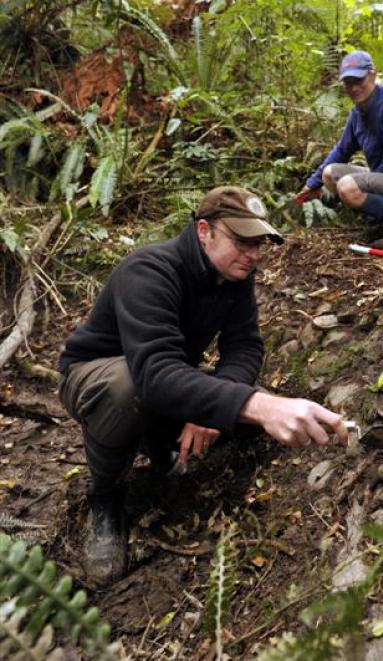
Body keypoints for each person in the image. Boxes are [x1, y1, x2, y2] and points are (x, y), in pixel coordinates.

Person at [58, 186, 348, 586]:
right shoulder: (148, 271)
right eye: (242, 242)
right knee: (131, 389)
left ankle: (161, 448)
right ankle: (105, 497)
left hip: (162, 377)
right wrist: (250, 405)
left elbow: (244, 345)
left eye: (259, 244)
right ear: (203, 231)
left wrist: (220, 407)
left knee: (249, 413)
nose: (253, 254)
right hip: (98, 379)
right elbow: (154, 374)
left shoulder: (234, 276)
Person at [298, 50, 383, 248]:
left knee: (347, 185)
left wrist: (363, 184)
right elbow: (341, 151)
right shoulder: (357, 113)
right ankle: (381, 220)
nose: (353, 88)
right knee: (329, 174)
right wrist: (312, 184)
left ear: (373, 74)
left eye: (358, 80)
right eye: (348, 83)